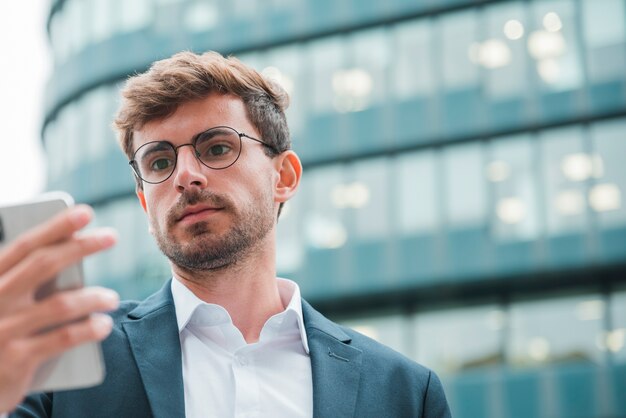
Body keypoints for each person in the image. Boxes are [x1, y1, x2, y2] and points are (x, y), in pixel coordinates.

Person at [11, 51, 451, 417]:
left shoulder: (403, 393)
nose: (185, 176)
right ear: (146, 202)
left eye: (216, 148)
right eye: (159, 162)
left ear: (284, 176)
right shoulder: (57, 360)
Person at [0, 205, 119, 414]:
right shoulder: (41, 352)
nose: (185, 177)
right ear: (143, 200)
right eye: (159, 169)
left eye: (199, 168)